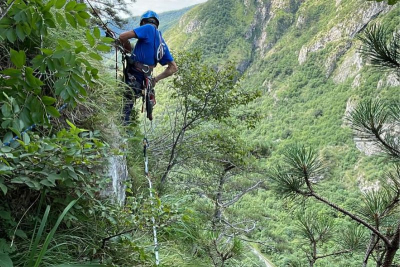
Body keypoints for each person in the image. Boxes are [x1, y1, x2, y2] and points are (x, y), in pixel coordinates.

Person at [118, 10, 178, 123]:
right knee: (127, 105)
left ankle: (120, 131)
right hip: (145, 78)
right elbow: (173, 68)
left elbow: (122, 37)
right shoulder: (161, 41)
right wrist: (155, 79)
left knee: (124, 105)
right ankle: (123, 129)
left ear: (143, 22)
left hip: (135, 74)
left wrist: (126, 48)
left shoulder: (147, 28)